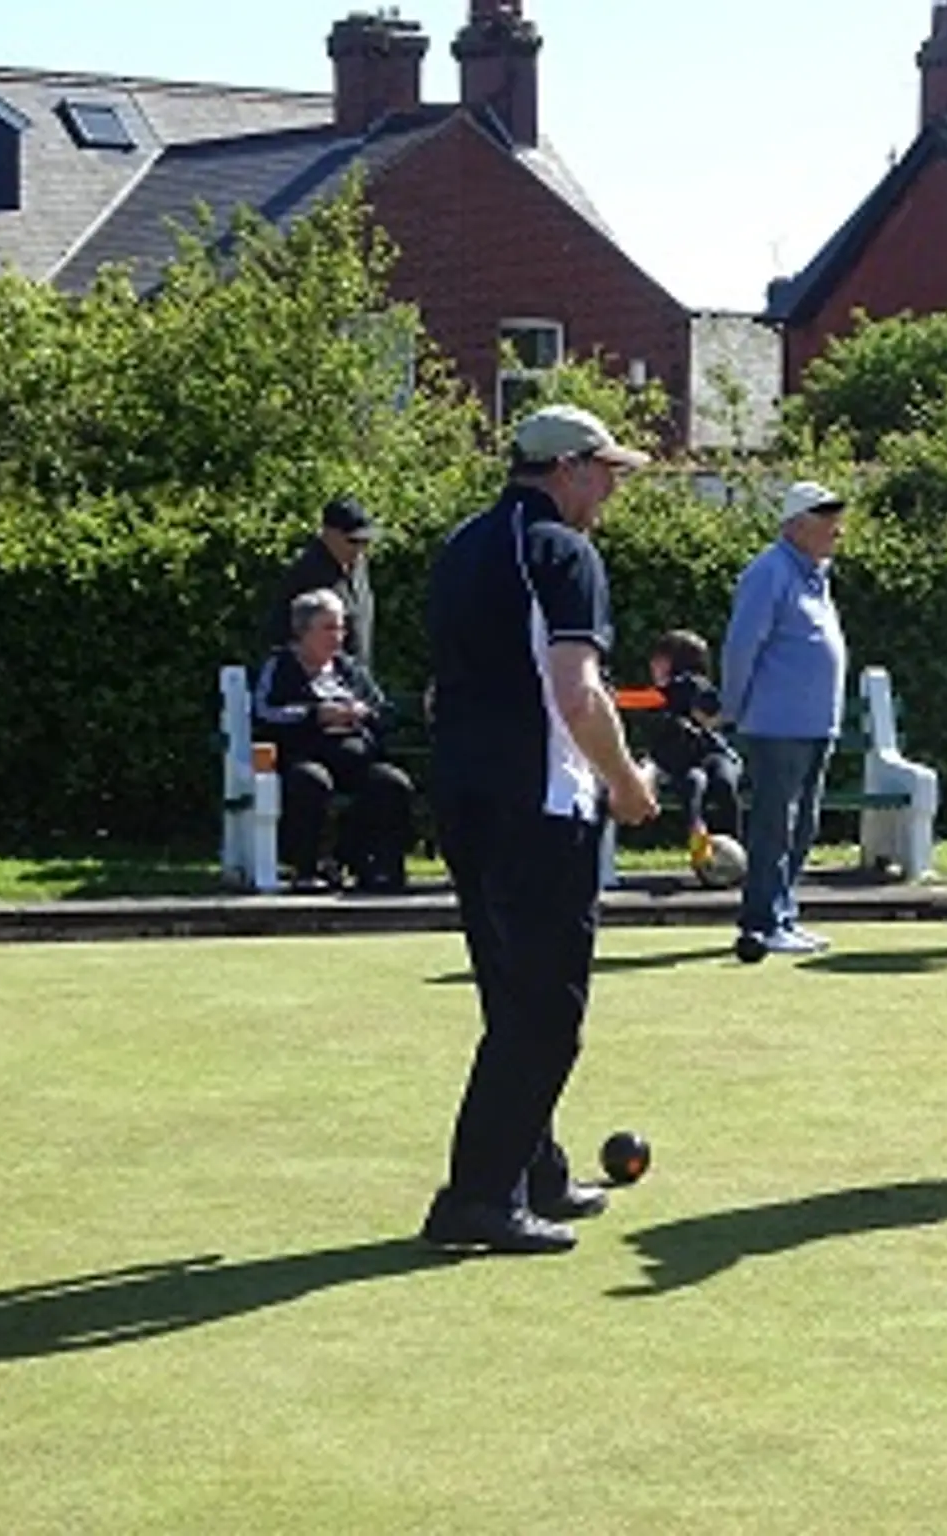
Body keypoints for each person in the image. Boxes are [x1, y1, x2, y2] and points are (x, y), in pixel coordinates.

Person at [420, 404, 661, 1256]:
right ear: (567, 469)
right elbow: (578, 693)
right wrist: (628, 784)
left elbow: (438, 690)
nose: (611, 490)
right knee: (546, 1013)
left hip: (465, 799)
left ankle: (538, 1174)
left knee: (507, 994)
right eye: (606, 473)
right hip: (540, 806)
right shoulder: (563, 550)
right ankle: (477, 1198)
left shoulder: (462, 546)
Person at [720, 480, 850, 962]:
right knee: (775, 827)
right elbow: (741, 645)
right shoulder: (769, 571)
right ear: (796, 526)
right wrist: (732, 708)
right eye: (825, 518)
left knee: (802, 827)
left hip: (816, 724)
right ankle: (761, 921)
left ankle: (783, 915)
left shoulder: (817, 574)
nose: (836, 528)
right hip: (778, 724)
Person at [253, 588, 414, 894]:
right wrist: (316, 715)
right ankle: (308, 869)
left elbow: (383, 711)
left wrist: (362, 713)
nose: (338, 635)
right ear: (303, 630)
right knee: (310, 781)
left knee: (392, 783)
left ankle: (380, 868)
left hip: (357, 756)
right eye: (328, 628)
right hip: (308, 753)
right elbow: (265, 712)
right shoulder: (282, 666)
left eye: (340, 627)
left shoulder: (349, 669)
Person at [644, 628, 743, 860]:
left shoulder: (698, 689)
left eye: (660, 660)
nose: (653, 665)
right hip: (682, 763)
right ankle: (697, 838)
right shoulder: (659, 697)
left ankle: (734, 846)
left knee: (724, 781)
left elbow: (714, 715)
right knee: (693, 783)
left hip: (715, 755)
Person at [263, 496, 379, 677]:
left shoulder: (359, 566)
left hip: (358, 679)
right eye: (353, 541)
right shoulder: (305, 574)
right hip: (318, 684)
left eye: (365, 542)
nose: (359, 549)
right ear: (328, 533)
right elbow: (282, 636)